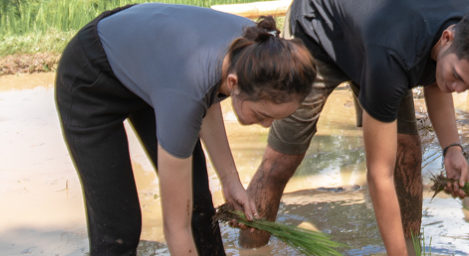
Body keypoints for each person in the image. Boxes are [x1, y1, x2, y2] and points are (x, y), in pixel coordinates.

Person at [239, 0, 469, 254]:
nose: (457, 89)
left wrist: (452, 149)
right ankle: (251, 249)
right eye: (458, 77)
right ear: (447, 37)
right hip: (318, 33)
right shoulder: (394, 52)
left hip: (375, 40)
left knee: (408, 154)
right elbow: (379, 175)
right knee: (280, 161)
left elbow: (438, 81)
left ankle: (412, 249)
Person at [54, 3, 316, 256]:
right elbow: (175, 229)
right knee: (120, 229)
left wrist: (230, 180)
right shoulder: (189, 91)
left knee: (198, 205)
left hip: (159, 67)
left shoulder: (259, 49)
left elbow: (208, 94)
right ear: (234, 82)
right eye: (262, 115)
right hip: (91, 78)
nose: (267, 125)